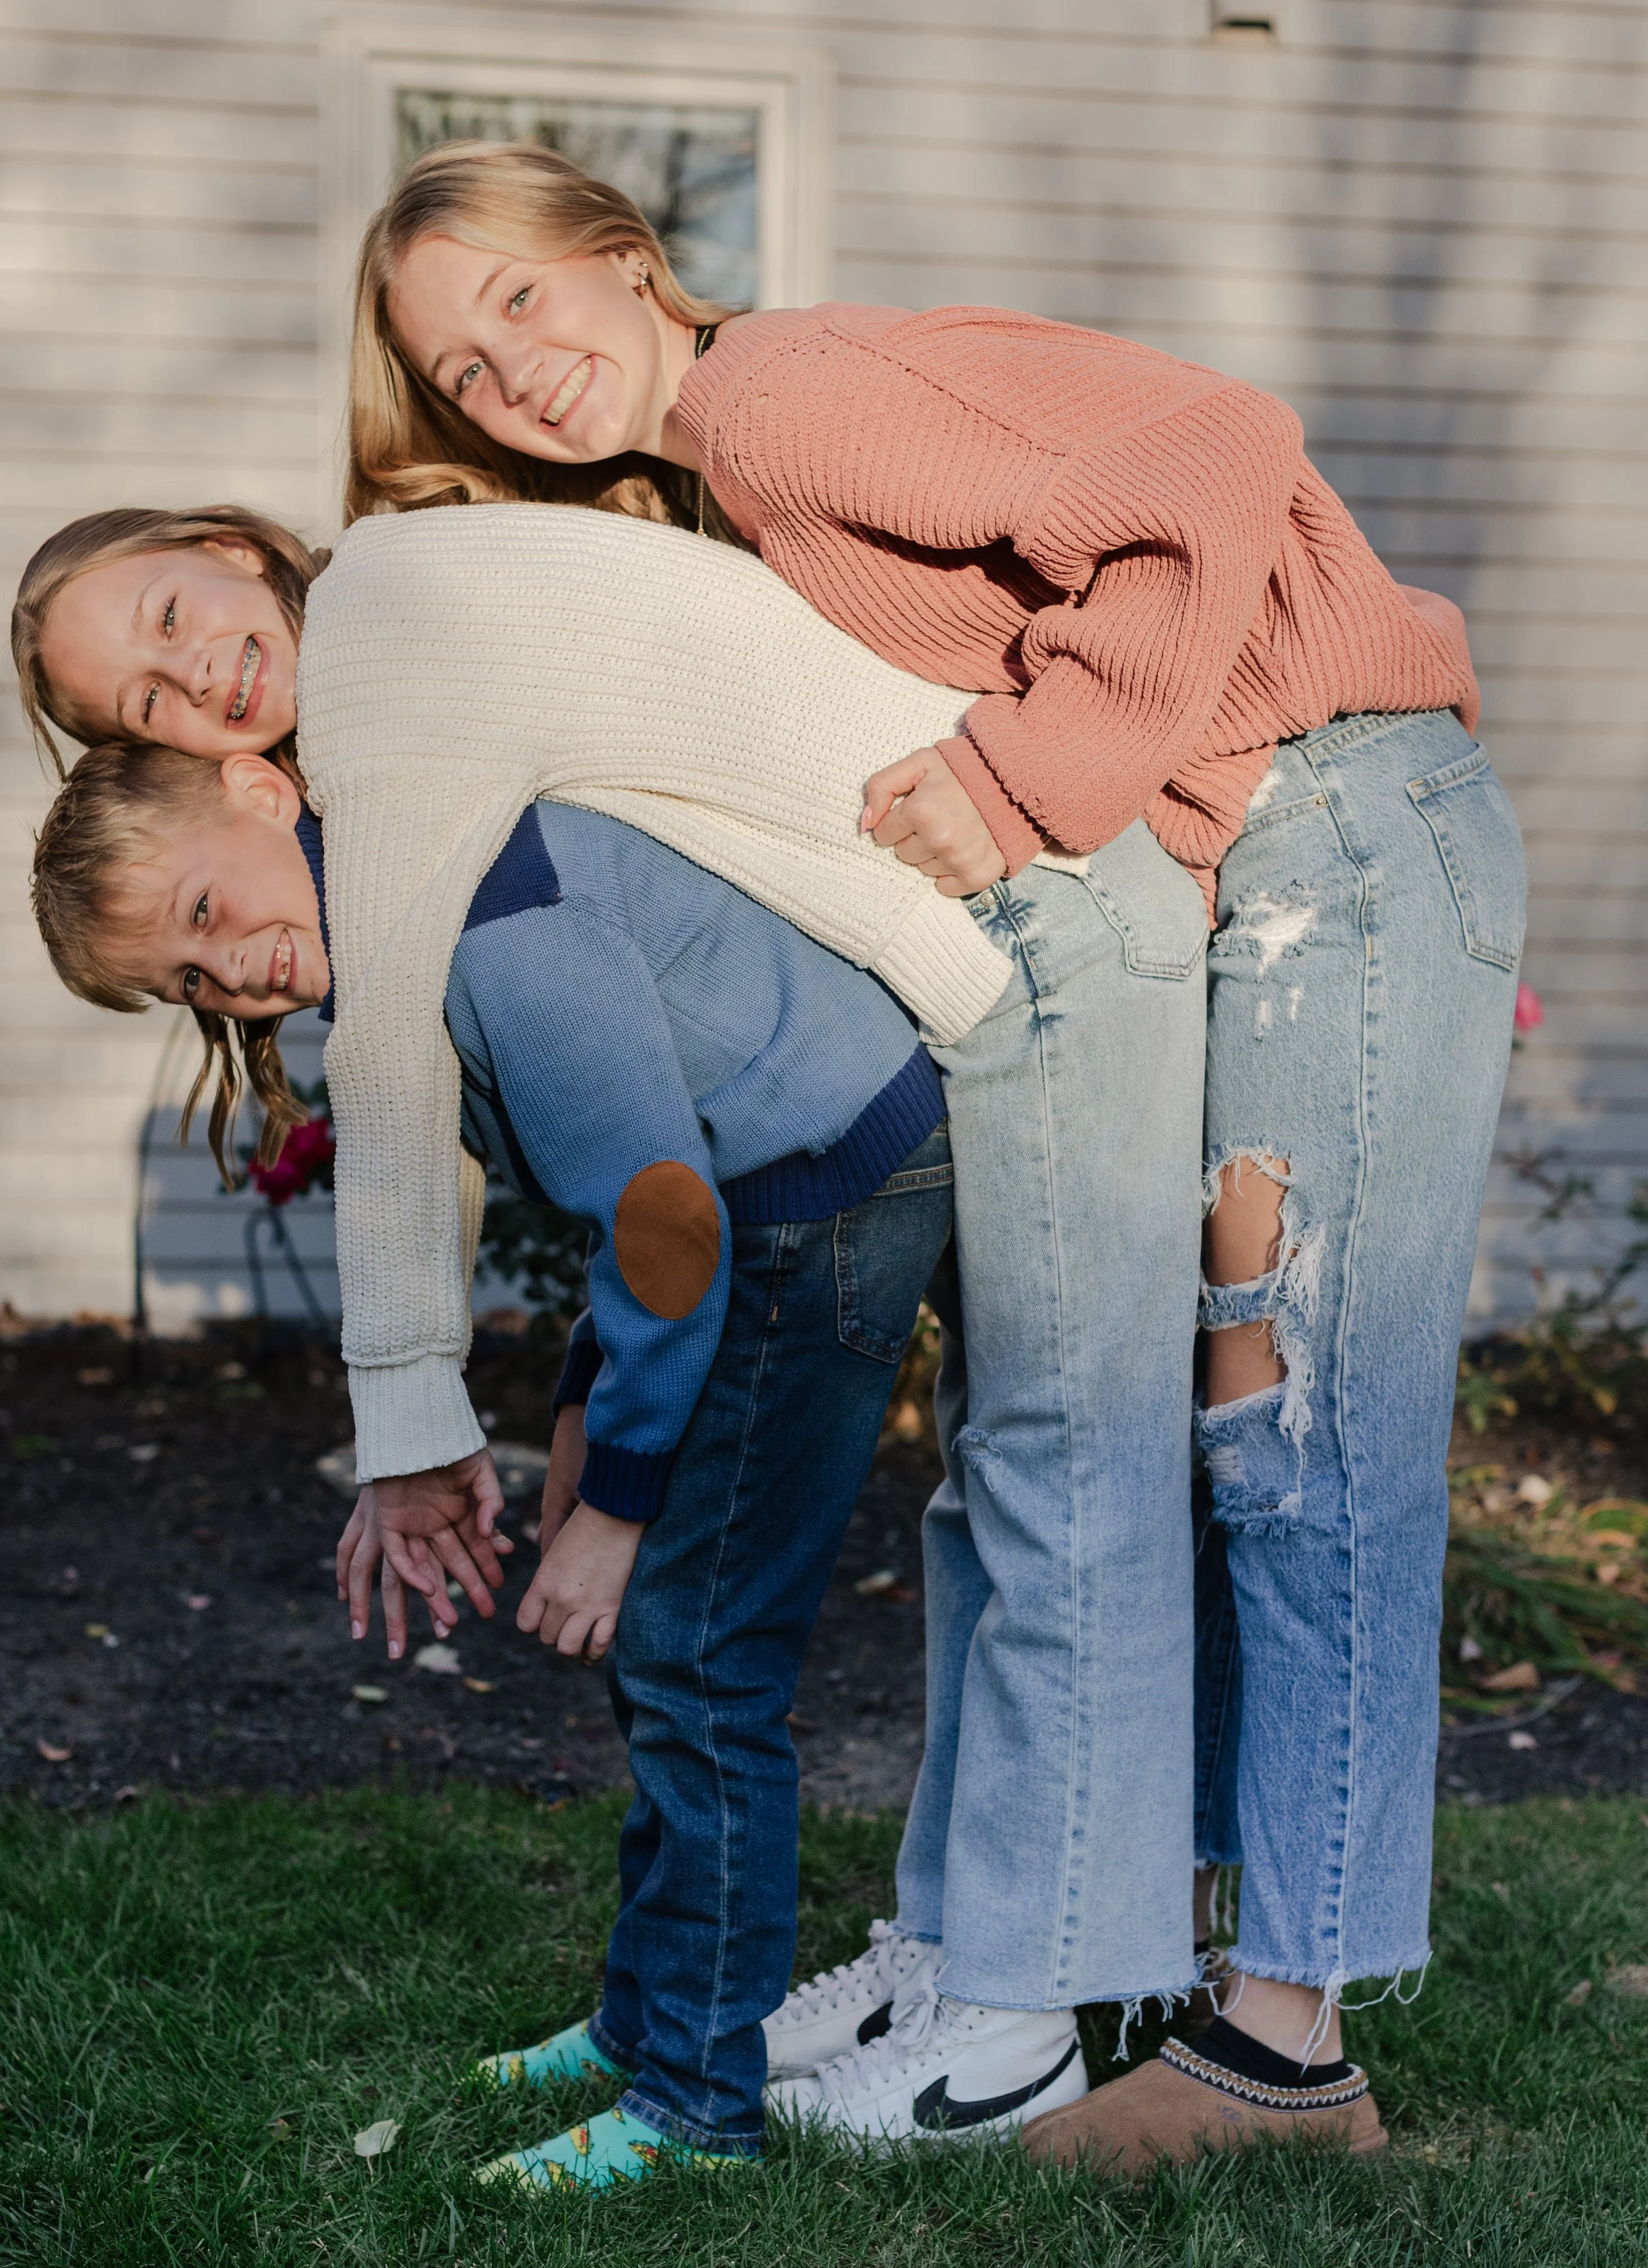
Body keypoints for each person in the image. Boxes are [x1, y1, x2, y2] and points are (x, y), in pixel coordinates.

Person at [352, 138, 1525, 2166]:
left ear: (629, 264)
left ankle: (1281, 2051)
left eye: (522, 301)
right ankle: (1160, 1974)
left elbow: (1217, 451)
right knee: (1218, 1428)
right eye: (459, 366)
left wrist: (1023, 771)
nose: (505, 371)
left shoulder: (779, 394)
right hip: (1269, 854)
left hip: (1342, 832)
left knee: (1304, 1434)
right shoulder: (735, 475)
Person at [15, 492, 1206, 2143]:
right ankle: (647, 2019)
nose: (238, 977)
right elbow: (633, 1187)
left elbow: (668, 1215)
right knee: (674, 1654)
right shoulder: (411, 918)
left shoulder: (483, 927)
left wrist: (621, 1509)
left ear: (264, 782)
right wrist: (583, 1408)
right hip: (774, 1193)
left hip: (827, 1201)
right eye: (192, 987)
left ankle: (692, 2102)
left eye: (209, 919)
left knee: (700, 1654)